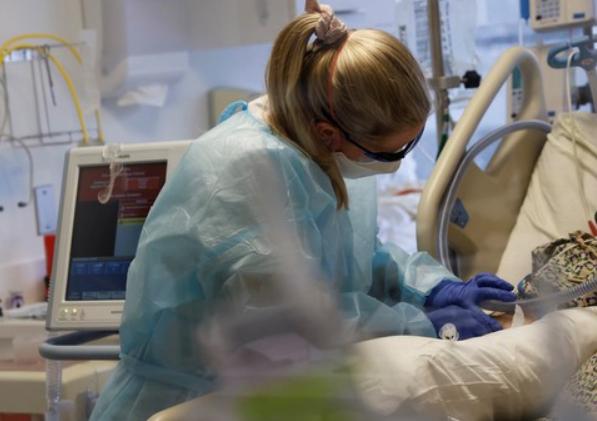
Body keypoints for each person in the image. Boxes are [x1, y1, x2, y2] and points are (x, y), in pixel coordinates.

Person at [90, 2, 516, 419]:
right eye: (391, 152)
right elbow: (297, 322)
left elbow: (359, 256)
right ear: (329, 134)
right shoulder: (244, 174)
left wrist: (430, 290)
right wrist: (419, 325)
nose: (398, 162)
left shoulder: (319, 150)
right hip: (191, 402)